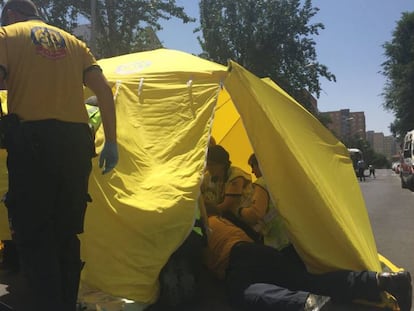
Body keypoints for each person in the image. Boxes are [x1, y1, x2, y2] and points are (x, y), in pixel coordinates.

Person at [0, 1, 118, 310]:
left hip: (33, 141)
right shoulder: (75, 43)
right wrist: (112, 142)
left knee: (34, 235)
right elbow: (104, 91)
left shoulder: (5, 35)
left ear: (11, 14)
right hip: (76, 145)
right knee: (66, 235)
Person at [204, 215, 412, 311]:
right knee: (307, 280)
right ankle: (383, 281)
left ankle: (305, 303)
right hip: (259, 251)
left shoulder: (195, 227)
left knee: (239, 294)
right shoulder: (222, 219)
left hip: (235, 258)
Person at [233, 153, 290, 250]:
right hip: (293, 232)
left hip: (278, 239)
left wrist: (240, 211)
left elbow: (255, 213)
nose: (252, 171)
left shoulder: (262, 183)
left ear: (260, 164)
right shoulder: (282, 177)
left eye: (253, 166)